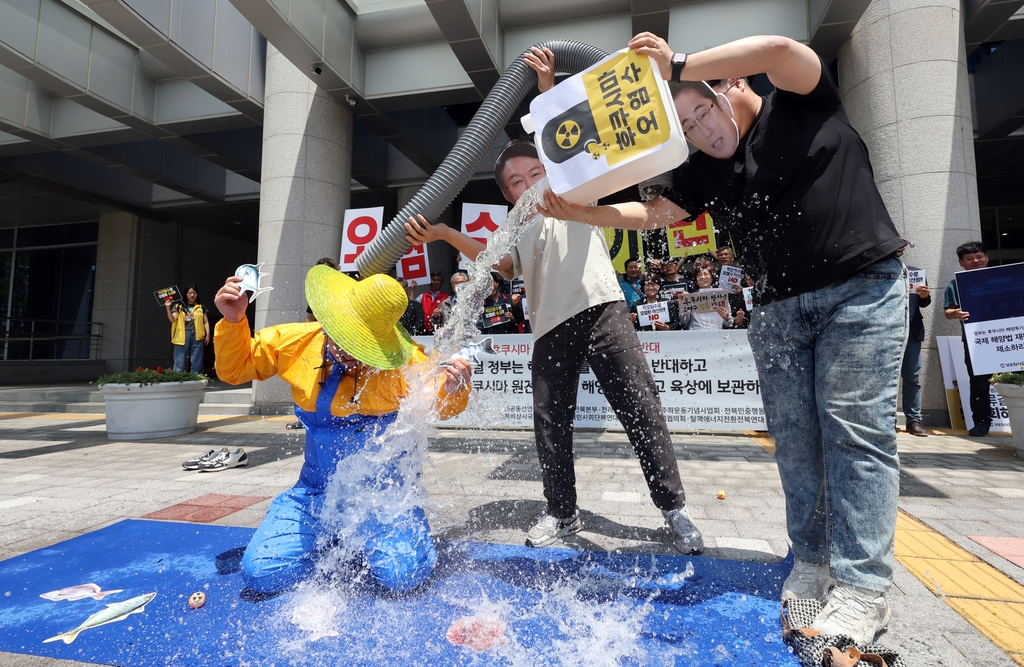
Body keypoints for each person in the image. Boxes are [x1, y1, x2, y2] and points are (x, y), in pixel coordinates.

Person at [539, 32, 907, 644]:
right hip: (777, 313)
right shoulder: (705, 171)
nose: (703, 131)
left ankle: (863, 587)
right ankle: (812, 563)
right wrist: (582, 213)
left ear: (729, 85)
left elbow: (783, 51)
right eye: (685, 127)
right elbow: (656, 215)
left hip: (857, 291)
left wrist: (677, 63)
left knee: (854, 435)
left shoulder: (801, 102)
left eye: (702, 110)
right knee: (794, 441)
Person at [403, 46, 701, 558]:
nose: (526, 184)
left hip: (602, 305)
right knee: (549, 424)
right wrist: (448, 233)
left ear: (548, 167)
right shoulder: (514, 221)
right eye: (514, 182)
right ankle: (562, 512)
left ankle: (674, 509)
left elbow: (569, 142)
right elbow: (500, 264)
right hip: (548, 325)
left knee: (640, 409)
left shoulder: (575, 185)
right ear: (507, 194)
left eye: (532, 172)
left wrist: (547, 88)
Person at [213, 266, 472, 594]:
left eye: (361, 343)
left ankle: (381, 536)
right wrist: (235, 321)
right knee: (262, 573)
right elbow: (236, 368)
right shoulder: (296, 342)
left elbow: (443, 404)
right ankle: (330, 535)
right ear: (329, 318)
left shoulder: (406, 366)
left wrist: (456, 384)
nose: (347, 349)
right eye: (343, 334)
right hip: (314, 493)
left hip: (383, 497)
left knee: (401, 576)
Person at [944, 241, 992, 437]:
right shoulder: (955, 284)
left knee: (1018, 378)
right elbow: (948, 312)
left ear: (987, 257)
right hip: (976, 339)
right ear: (961, 262)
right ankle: (981, 422)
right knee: (979, 382)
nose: (975, 261)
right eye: (969, 259)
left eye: (979, 256)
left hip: (1011, 338)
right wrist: (957, 313)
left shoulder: (1005, 278)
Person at [897, 245, 930, 437]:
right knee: (885, 380)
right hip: (885, 332)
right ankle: (886, 421)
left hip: (912, 332)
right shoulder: (875, 274)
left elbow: (924, 303)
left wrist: (925, 296)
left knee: (912, 378)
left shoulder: (916, 273)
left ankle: (914, 420)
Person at [165, 285, 210, 373]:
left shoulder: (201, 307)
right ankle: (178, 379)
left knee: (197, 360)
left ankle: (196, 379)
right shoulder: (179, 306)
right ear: (186, 294)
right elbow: (172, 319)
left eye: (194, 293)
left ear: (197, 295)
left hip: (197, 334)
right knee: (180, 360)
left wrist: (208, 335)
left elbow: (206, 322)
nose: (192, 295)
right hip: (183, 334)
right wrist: (167, 308)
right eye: (189, 293)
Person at [306, 257, 340, 323]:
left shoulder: (341, 288)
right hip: (321, 330)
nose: (324, 273)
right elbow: (310, 317)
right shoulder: (316, 294)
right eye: (321, 270)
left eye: (327, 270)